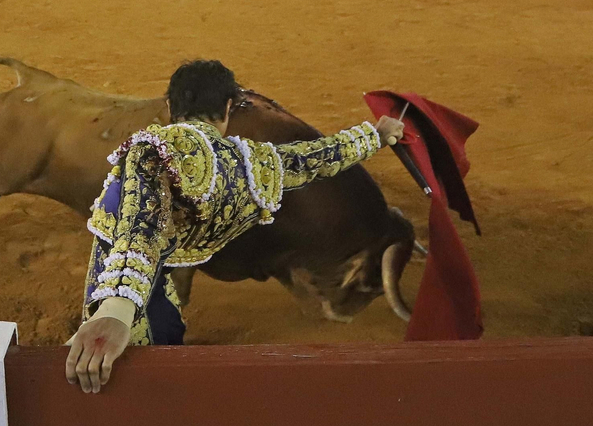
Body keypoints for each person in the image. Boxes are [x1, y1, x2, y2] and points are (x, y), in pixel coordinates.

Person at [64, 59, 406, 393]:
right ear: (229, 108)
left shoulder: (153, 151)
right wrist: (375, 136)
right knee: (165, 346)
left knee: (115, 380)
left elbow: (140, 230)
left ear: (170, 106)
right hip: (166, 276)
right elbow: (315, 157)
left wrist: (116, 310)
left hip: (124, 281)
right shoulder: (251, 162)